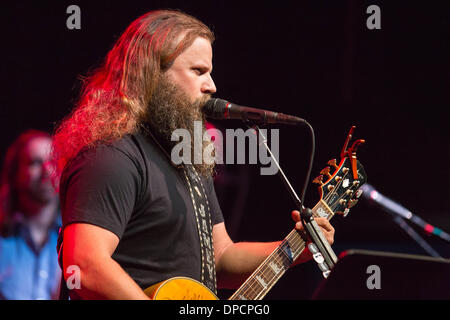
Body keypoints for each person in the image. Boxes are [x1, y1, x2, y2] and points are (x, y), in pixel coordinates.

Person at [52, 9, 335, 300]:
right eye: (198, 71)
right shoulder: (112, 156)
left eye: (209, 72)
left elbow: (220, 259)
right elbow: (83, 266)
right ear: (152, 75)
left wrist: (294, 249)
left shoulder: (186, 158)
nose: (212, 86)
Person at [0, 130, 61, 300]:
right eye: (35, 162)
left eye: (53, 161)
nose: (47, 170)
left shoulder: (75, 238)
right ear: (15, 172)